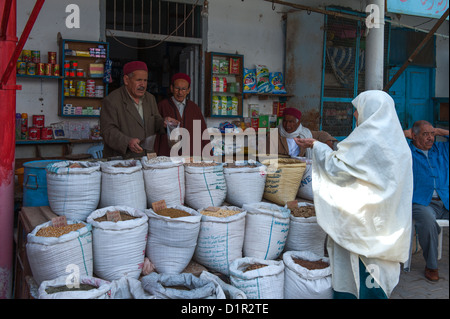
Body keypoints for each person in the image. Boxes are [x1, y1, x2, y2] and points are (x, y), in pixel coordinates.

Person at [296, 90, 413, 299]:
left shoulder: (367, 140)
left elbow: (337, 169)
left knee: (358, 269)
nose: (355, 116)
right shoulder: (399, 144)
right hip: (387, 222)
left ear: (371, 111)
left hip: (362, 221)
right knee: (378, 269)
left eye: (357, 111)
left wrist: (317, 145)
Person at [403, 120, 449, 281]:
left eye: (432, 134)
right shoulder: (406, 151)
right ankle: (431, 266)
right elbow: (387, 141)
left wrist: (440, 131)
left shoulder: (442, 149)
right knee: (428, 221)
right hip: (422, 202)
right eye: (425, 134)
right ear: (414, 136)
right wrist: (405, 134)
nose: (430, 138)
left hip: (445, 200)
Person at [100, 61, 174, 159]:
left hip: (147, 158)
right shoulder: (112, 101)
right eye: (138, 80)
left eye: (145, 80)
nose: (142, 85)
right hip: (123, 161)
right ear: (126, 80)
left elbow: (155, 120)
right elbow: (108, 131)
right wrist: (127, 142)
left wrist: (164, 123)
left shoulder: (150, 98)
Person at [155, 73, 209, 158]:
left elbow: (202, 131)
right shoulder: (162, 105)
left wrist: (208, 154)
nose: (180, 92)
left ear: (188, 90)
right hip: (168, 154)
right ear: (171, 88)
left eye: (184, 89)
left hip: (190, 155)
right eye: (177, 88)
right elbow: (154, 128)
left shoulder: (194, 108)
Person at [267, 107, 337, 158]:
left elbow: (323, 135)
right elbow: (266, 156)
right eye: (285, 121)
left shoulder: (305, 133)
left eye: (291, 122)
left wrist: (328, 143)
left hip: (300, 168)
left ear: (298, 123)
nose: (287, 125)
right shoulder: (274, 135)